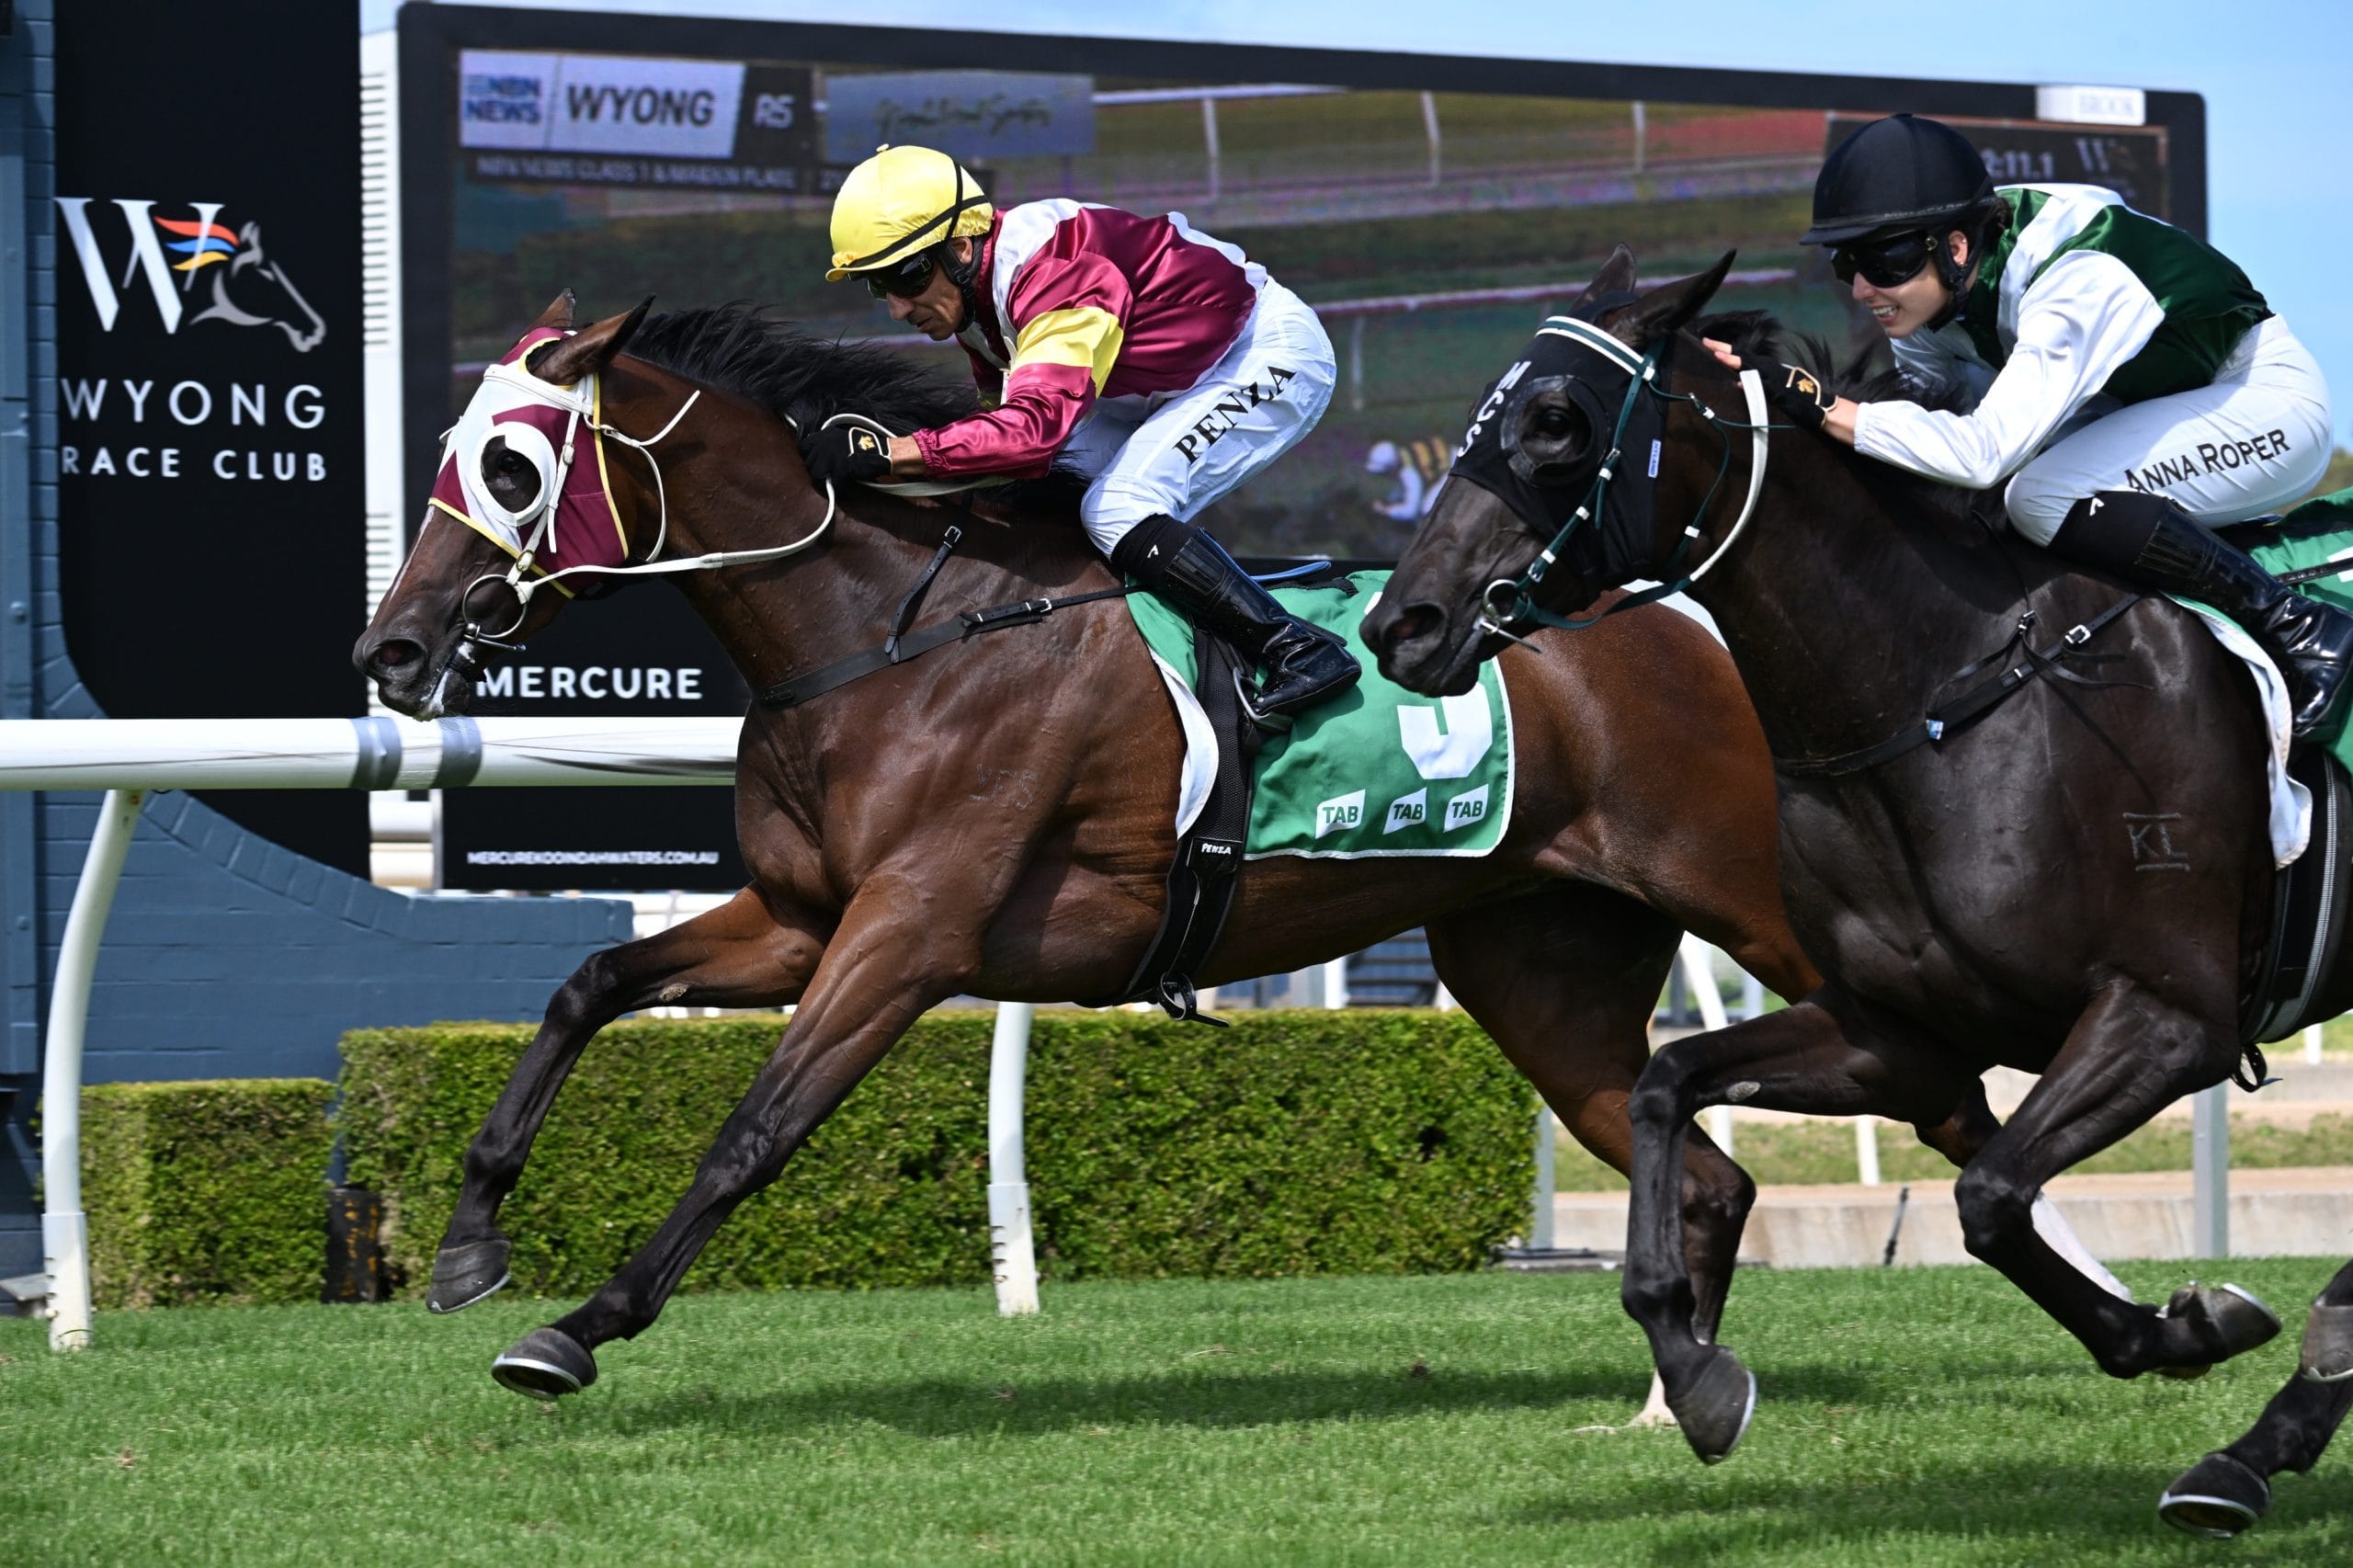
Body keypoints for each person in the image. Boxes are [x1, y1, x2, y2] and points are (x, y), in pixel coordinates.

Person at [1721, 113, 2352, 736]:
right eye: (1845, 262)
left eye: (1884, 261)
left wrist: (1820, 403)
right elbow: (1930, 449)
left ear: (1957, 245)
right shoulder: (1935, 302)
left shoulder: (2075, 276)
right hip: (2140, 408)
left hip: (2258, 402)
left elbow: (1981, 456)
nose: (1861, 289)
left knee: (2041, 495)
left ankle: (2297, 623)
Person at [808, 144, 1359, 720]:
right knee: (1028, 496)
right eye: (878, 286)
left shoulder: (1055, 273)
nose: (898, 307)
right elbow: (999, 438)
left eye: (907, 276)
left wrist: (892, 454)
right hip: (1143, 385)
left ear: (962, 247)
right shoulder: (970, 298)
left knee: (1116, 507)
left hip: (1257, 354)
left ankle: (1299, 649)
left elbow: (1029, 433)